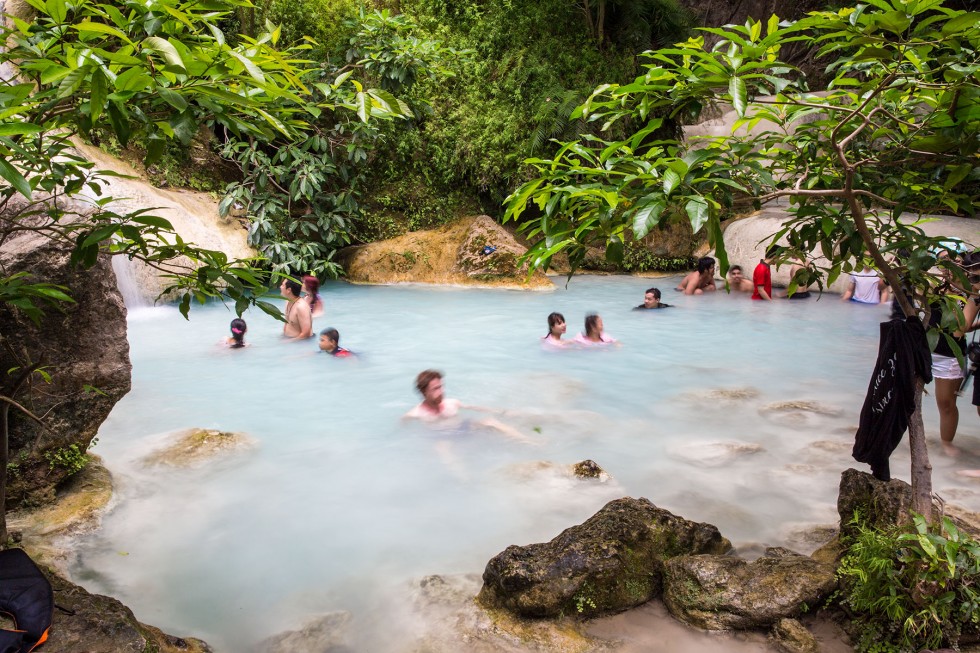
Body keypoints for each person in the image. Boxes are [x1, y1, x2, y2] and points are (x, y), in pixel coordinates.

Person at [403, 370, 530, 441]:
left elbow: (475, 408)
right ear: (424, 391)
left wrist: (503, 412)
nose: (441, 391)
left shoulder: (451, 403)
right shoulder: (414, 414)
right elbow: (404, 431)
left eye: (441, 387)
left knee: (489, 421)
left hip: (463, 428)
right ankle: (465, 481)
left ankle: (528, 441)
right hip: (443, 437)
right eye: (435, 389)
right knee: (442, 449)